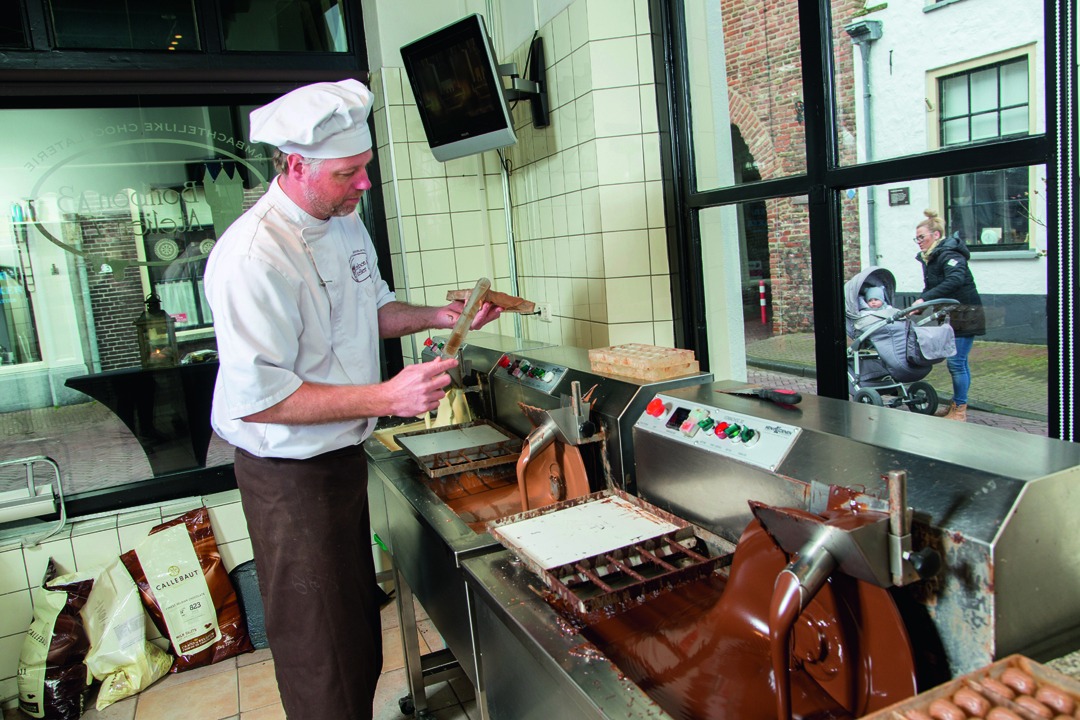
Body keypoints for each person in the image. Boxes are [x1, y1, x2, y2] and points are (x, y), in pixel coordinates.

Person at [203, 79, 501, 720]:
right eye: (348, 173)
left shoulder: (341, 219)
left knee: (354, 634)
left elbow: (371, 311)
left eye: (365, 168)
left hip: (341, 459)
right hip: (290, 477)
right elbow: (261, 401)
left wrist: (437, 315)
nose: (363, 185)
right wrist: (387, 397)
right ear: (295, 165)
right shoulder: (253, 258)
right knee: (321, 649)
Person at [912, 209, 985, 422]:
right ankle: (957, 405)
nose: (918, 241)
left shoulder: (950, 254)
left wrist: (924, 300)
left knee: (956, 362)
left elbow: (954, 281)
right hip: (950, 315)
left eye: (921, 237)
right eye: (916, 238)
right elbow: (933, 286)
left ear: (935, 235)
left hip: (965, 314)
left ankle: (959, 410)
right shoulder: (931, 258)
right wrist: (921, 304)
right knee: (959, 362)